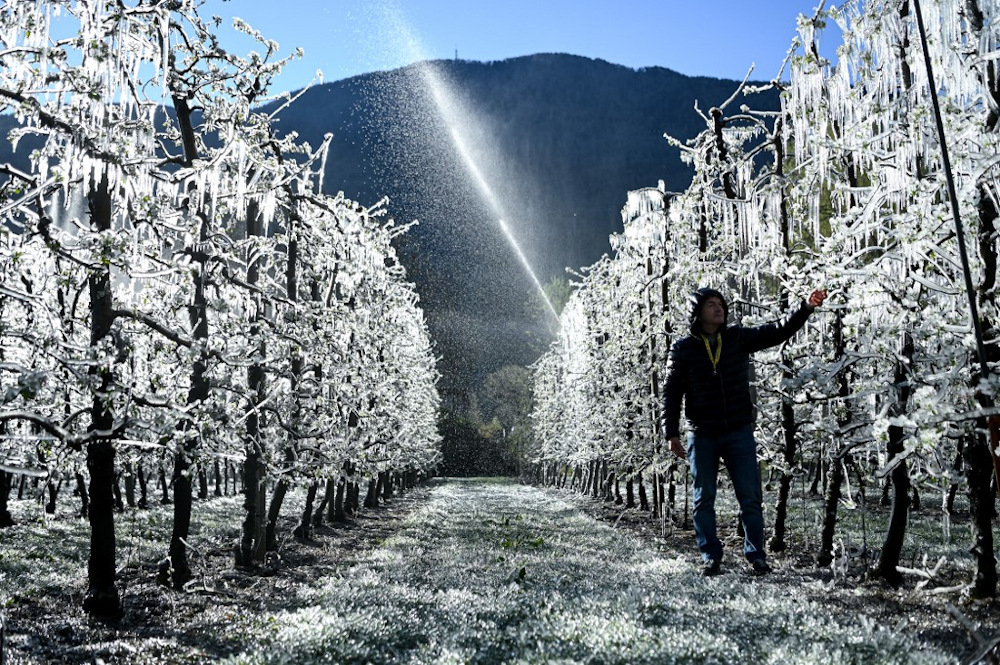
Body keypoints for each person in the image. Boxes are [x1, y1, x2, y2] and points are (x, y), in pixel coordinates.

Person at [662, 286, 827, 576]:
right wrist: (671, 432)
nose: (718, 308)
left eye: (720, 304)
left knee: (750, 497)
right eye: (711, 304)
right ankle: (710, 556)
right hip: (701, 433)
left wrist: (806, 307)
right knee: (703, 499)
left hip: (738, 430)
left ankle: (757, 556)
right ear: (697, 313)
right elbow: (671, 391)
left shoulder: (737, 337)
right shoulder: (683, 348)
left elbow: (776, 331)